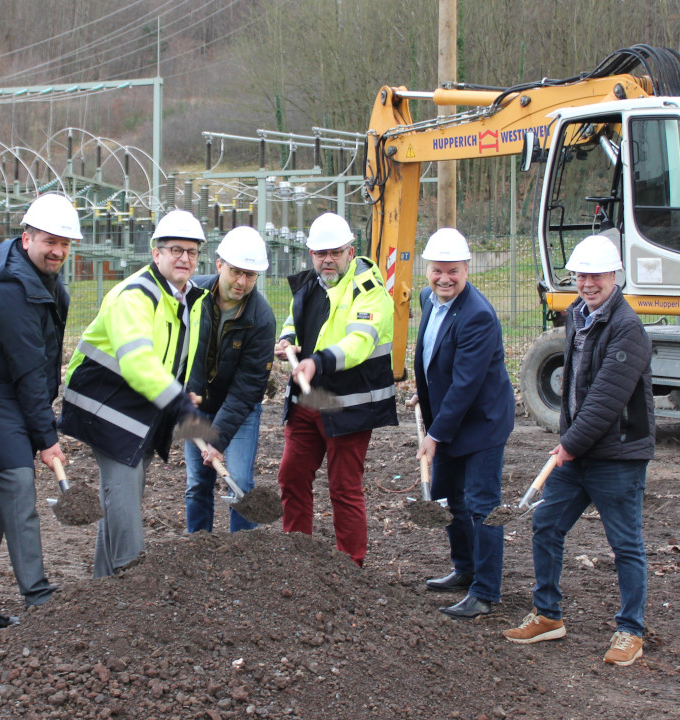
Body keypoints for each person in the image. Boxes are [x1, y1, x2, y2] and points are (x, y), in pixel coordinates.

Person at [503, 234, 655, 667]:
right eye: (581, 275)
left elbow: (606, 400)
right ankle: (548, 615)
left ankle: (630, 631)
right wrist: (569, 441)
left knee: (625, 544)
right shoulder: (577, 316)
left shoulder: (628, 329)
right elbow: (575, 389)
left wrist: (568, 443)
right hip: (579, 451)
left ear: (614, 276)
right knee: (547, 525)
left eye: (596, 275)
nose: (587, 283)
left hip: (618, 455)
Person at [60, 209, 210, 576]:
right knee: (124, 499)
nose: (184, 258)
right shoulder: (136, 295)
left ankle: (104, 585)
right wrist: (176, 401)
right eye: (175, 249)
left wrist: (183, 394)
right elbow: (138, 361)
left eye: (191, 252)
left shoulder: (187, 297)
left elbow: (172, 357)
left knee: (122, 501)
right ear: (156, 253)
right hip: (108, 409)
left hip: (140, 411)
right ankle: (132, 585)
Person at [0, 193, 80, 618]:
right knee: (17, 490)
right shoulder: (10, 291)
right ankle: (38, 597)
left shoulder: (43, 280)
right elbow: (29, 369)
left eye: (66, 244)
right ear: (26, 237)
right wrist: (46, 439)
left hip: (14, 399)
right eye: (50, 241)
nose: (59, 251)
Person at [275, 212, 397, 566]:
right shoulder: (311, 284)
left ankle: (350, 567)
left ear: (351, 251)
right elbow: (294, 319)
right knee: (291, 475)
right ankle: (298, 557)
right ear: (310, 254)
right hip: (307, 401)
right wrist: (287, 340)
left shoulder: (371, 292)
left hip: (349, 407)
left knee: (343, 488)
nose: (327, 259)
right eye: (319, 253)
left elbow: (359, 342)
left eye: (335, 252)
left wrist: (317, 362)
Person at [409, 228, 515, 619]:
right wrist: (426, 395)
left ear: (467, 268)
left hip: (483, 423)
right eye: (437, 271)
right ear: (428, 270)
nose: (444, 279)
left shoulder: (479, 316)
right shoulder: (427, 299)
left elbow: (467, 383)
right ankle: (465, 569)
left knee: (482, 505)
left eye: (453, 271)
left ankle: (485, 592)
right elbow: (434, 359)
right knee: (449, 497)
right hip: (450, 416)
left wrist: (434, 435)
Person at [184, 226, 276, 533]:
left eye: (250, 275)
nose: (242, 282)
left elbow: (248, 386)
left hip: (240, 410)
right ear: (219, 264)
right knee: (198, 483)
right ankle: (197, 548)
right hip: (196, 404)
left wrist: (218, 438)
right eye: (236, 272)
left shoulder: (260, 318)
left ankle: (242, 556)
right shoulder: (192, 296)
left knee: (239, 483)